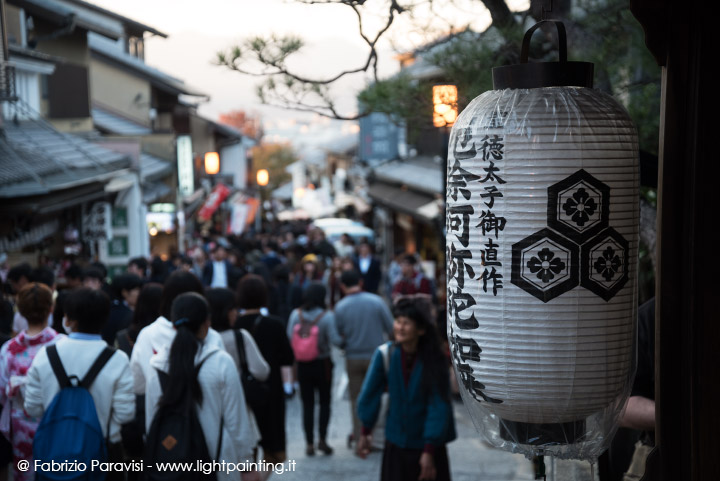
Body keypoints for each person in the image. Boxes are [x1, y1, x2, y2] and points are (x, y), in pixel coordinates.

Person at [24, 288, 135, 481]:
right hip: (105, 452)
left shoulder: (46, 354)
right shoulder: (118, 359)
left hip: (54, 450)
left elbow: (32, 408)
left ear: (67, 319)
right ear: (105, 318)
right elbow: (125, 414)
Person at [145, 292, 258, 481]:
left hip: (173, 469)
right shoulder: (220, 362)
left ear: (173, 324)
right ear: (207, 323)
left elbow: (152, 424)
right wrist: (247, 464)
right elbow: (236, 421)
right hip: (220, 466)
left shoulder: (157, 367)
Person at [357, 297, 456, 481]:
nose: (399, 327)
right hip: (396, 444)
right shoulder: (385, 355)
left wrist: (429, 450)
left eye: (406, 323)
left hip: (427, 447)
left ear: (420, 329)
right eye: (398, 321)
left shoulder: (435, 360)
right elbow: (369, 394)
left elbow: (438, 405)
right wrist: (365, 430)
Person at [0, 283, 63, 481]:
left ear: (21, 312)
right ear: (50, 309)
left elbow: (2, 391)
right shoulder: (63, 345)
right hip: (57, 418)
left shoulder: (9, 349)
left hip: (21, 420)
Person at [130, 271, 225, 396]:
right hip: (210, 413)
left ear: (165, 298)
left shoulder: (147, 335)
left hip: (162, 412)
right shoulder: (212, 336)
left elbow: (138, 385)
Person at [236, 274, 294, 475]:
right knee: (272, 448)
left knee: (246, 445)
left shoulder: (234, 326)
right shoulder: (275, 324)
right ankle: (260, 477)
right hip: (271, 391)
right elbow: (288, 358)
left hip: (242, 391)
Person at [334, 269, 394, 449]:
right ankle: (376, 437)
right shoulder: (377, 302)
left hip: (353, 357)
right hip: (377, 357)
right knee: (378, 395)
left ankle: (361, 437)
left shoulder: (341, 306)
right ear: (360, 282)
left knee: (356, 400)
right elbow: (391, 327)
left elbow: (338, 334)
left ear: (343, 286)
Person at [286, 283, 342, 456]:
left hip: (302, 365)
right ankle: (323, 440)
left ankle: (309, 443)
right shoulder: (327, 317)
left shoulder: (296, 315)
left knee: (307, 404)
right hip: (322, 363)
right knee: (324, 402)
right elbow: (335, 341)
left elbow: (289, 336)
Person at [104, 273, 143, 345]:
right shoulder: (123, 314)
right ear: (124, 292)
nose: (140, 293)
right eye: (136, 289)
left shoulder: (110, 308)